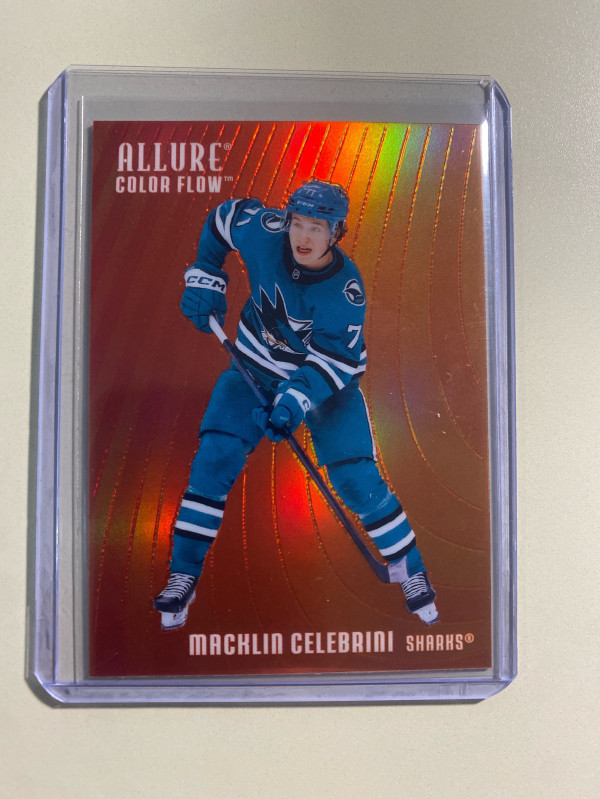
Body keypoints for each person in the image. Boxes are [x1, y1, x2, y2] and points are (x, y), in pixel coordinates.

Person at [153, 180, 438, 630]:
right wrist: (206, 274)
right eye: (298, 223)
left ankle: (410, 569)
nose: (303, 236)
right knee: (214, 458)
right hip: (253, 367)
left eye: (317, 228)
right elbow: (223, 219)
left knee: (356, 479)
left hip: (328, 383)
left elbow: (332, 362)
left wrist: (291, 403)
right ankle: (182, 575)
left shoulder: (345, 291)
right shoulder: (264, 231)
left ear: (336, 232)